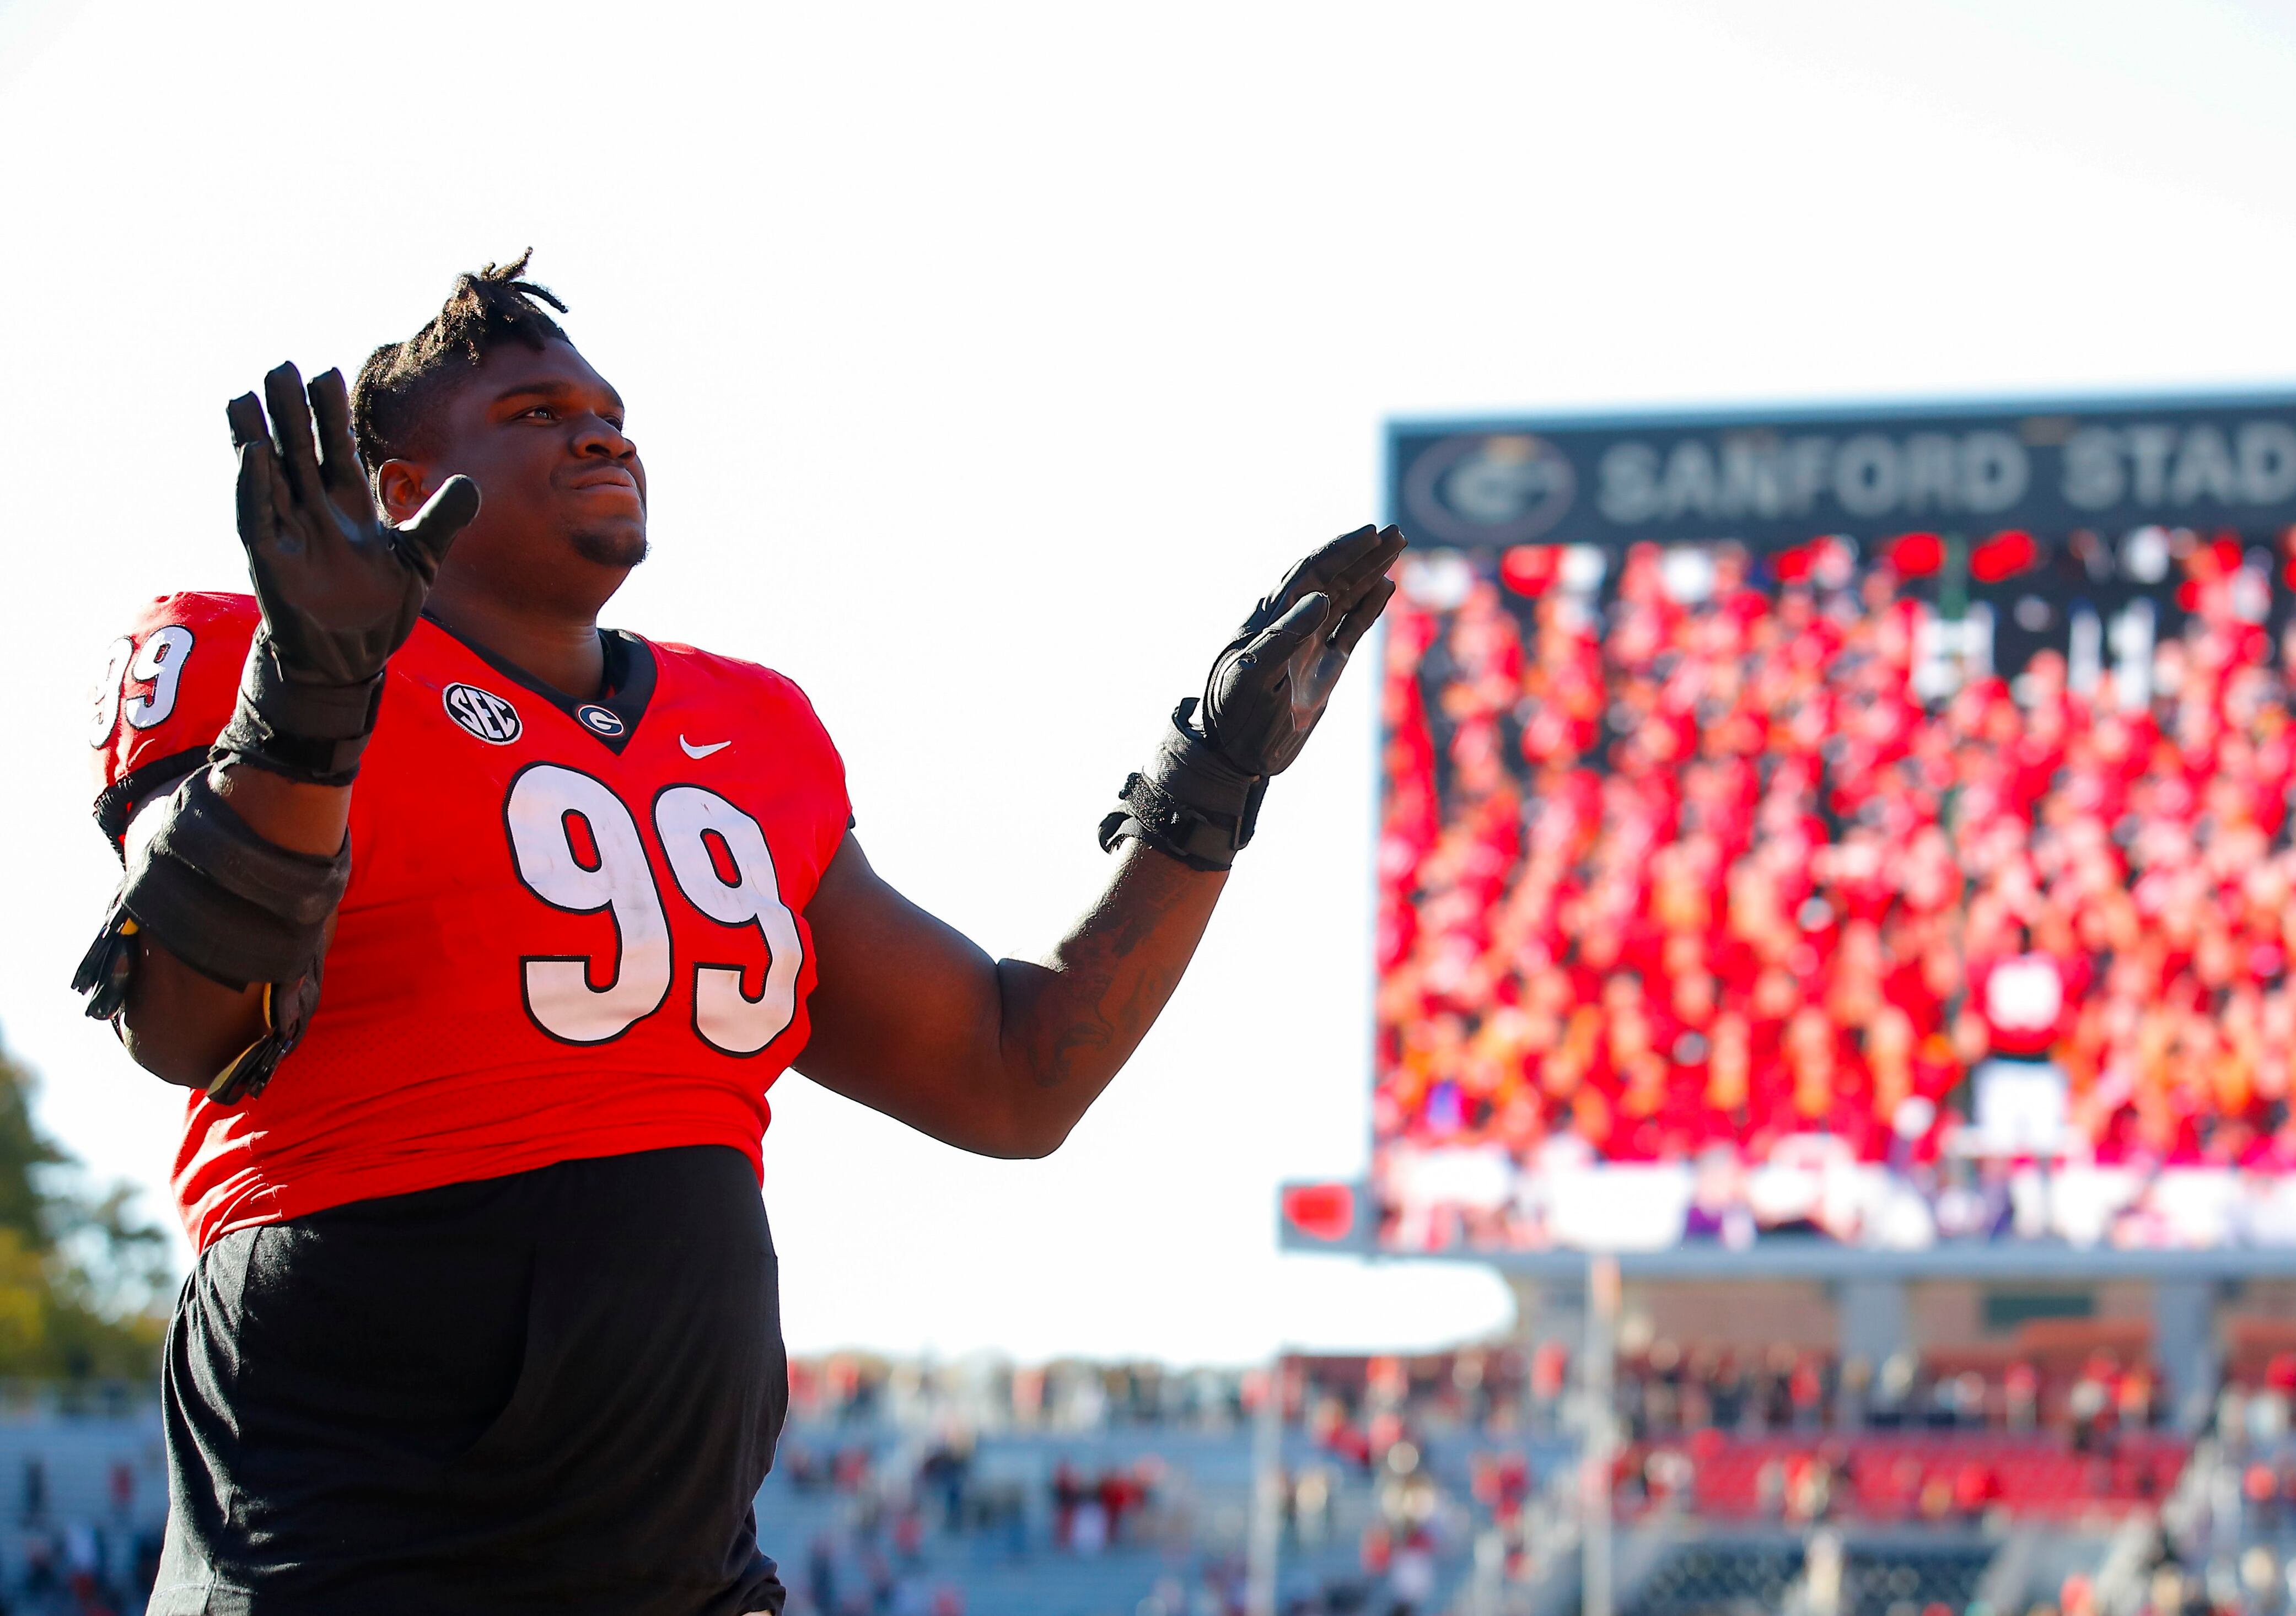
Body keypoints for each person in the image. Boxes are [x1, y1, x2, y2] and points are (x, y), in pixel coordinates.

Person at [73, 255, 1401, 1613]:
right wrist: (309, 693)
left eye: (608, 406)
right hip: (347, 1526)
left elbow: (1016, 1072)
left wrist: (1207, 791)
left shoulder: (748, 724)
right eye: (533, 411)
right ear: (401, 486)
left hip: (675, 1553)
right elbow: (185, 1019)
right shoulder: (248, 647)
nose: (601, 429)